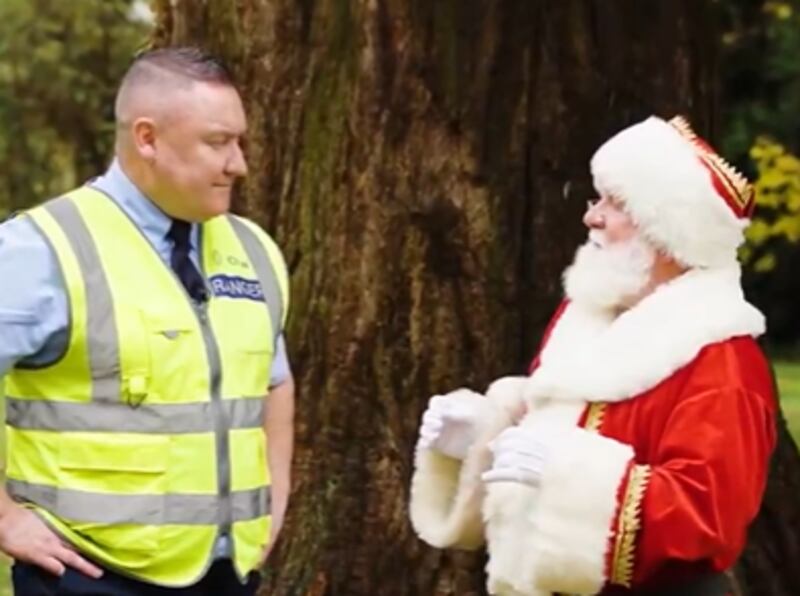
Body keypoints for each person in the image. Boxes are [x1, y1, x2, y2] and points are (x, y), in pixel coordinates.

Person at [409, 115, 776, 595]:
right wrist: (485, 440)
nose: (591, 217)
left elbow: (707, 518)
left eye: (615, 203)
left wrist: (562, 473)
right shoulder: (587, 320)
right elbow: (560, 443)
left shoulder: (723, 357)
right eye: (596, 198)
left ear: (669, 231)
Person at [0, 47, 294, 595]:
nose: (239, 164)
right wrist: (5, 519)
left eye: (239, 142)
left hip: (225, 574)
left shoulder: (253, 251)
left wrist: (275, 500)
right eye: (217, 142)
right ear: (147, 139)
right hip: (88, 574)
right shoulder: (42, 248)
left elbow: (274, 381)